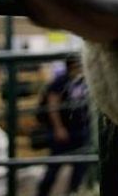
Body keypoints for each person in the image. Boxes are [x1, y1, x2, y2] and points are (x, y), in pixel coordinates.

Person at [37, 58, 90, 196]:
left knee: (79, 169)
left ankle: (73, 193)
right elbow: (52, 105)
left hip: (80, 131)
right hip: (64, 131)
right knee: (54, 168)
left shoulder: (83, 81)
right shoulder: (60, 82)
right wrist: (58, 128)